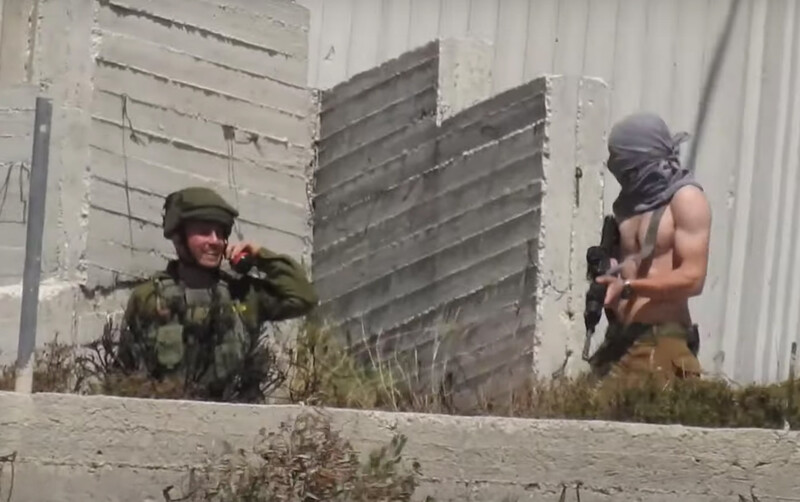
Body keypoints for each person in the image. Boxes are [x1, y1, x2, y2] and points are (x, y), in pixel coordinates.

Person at [116, 186, 318, 401]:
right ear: (178, 236)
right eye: (204, 231)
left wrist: (260, 256)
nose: (215, 240)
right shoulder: (148, 297)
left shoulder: (243, 294)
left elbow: (303, 297)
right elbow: (124, 373)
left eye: (221, 233)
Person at [589, 112, 711, 384]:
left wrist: (631, 286)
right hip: (621, 339)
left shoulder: (686, 199)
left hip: (662, 339)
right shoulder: (628, 208)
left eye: (625, 164)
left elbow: (693, 278)